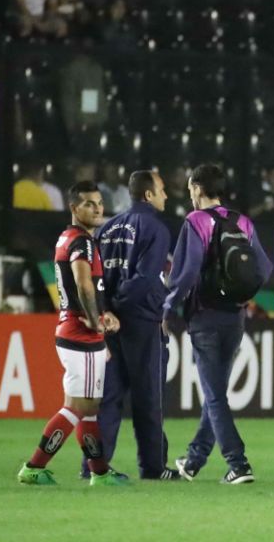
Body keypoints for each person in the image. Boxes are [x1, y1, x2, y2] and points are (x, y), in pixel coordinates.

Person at [162, 164, 274, 484]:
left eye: (190, 189)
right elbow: (264, 269)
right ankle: (195, 459)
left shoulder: (195, 221)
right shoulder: (242, 221)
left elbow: (184, 274)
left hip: (205, 317)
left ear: (197, 188)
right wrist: (240, 295)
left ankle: (238, 464)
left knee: (214, 395)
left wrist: (167, 309)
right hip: (235, 318)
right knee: (217, 393)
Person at [15, 182, 130, 486]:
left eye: (99, 203)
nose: (97, 209)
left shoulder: (67, 238)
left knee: (88, 408)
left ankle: (100, 472)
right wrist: (95, 321)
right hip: (81, 334)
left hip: (70, 329)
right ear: (74, 208)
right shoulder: (82, 242)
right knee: (78, 407)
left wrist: (100, 315)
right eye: (89, 204)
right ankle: (34, 467)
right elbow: (83, 284)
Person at [96, 169, 180, 480]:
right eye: (161, 190)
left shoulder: (107, 228)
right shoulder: (155, 229)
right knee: (149, 398)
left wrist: (106, 310)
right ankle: (154, 467)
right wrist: (122, 304)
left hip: (110, 323)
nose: (166, 196)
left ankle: (95, 465)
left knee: (109, 397)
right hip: (142, 320)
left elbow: (97, 277)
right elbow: (145, 279)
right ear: (148, 195)